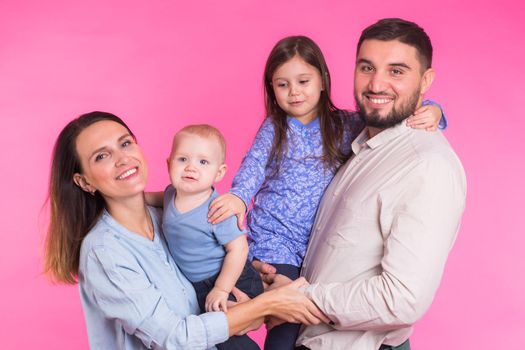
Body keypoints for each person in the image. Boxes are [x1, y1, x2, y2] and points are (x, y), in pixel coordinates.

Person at [207, 35, 446, 350]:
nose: (294, 92)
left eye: (303, 81)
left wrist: (435, 110)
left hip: (314, 250)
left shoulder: (344, 124)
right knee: (284, 325)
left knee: (293, 320)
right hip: (276, 242)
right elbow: (253, 165)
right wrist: (238, 195)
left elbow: (387, 114)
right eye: (282, 85)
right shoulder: (275, 129)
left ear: (322, 80)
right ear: (272, 89)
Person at [43, 111, 328, 350]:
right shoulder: (104, 252)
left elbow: (201, 270)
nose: (122, 159)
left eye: (126, 143)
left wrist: (251, 283)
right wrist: (265, 305)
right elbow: (174, 338)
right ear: (84, 182)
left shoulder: (167, 215)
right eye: (102, 156)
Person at [286, 18, 466, 350]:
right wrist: (283, 279)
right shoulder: (359, 147)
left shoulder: (426, 165)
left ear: (425, 81)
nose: (377, 84)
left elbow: (403, 298)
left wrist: (297, 298)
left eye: (396, 71)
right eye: (367, 67)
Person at [162, 124, 263, 349]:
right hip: (198, 285)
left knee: (227, 336)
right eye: (182, 159)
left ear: (219, 172)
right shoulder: (170, 194)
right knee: (206, 339)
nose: (191, 168)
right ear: (169, 164)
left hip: (231, 278)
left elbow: (238, 248)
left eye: (203, 162)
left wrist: (222, 288)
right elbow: (152, 200)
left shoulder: (217, 210)